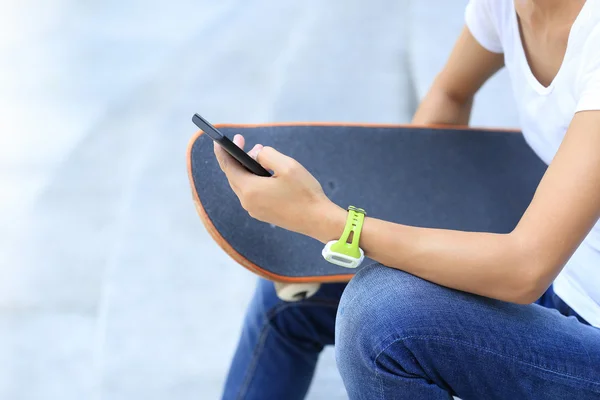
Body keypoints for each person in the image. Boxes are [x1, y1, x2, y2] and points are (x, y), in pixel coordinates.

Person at [216, 0, 600, 398]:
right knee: (295, 289)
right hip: (567, 281)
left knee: (381, 319)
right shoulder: (504, 7)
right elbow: (449, 98)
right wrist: (397, 219)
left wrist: (326, 220)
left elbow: (524, 269)